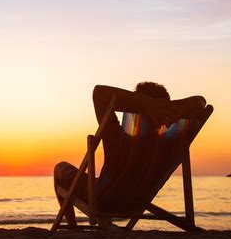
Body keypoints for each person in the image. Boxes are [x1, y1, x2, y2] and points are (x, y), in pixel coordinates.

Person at [53, 82, 206, 227]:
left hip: (104, 198)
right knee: (98, 180)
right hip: (138, 201)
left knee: (60, 168)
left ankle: (71, 225)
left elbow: (99, 92)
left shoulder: (118, 138)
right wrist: (170, 107)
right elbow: (200, 102)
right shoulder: (171, 144)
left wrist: (145, 104)